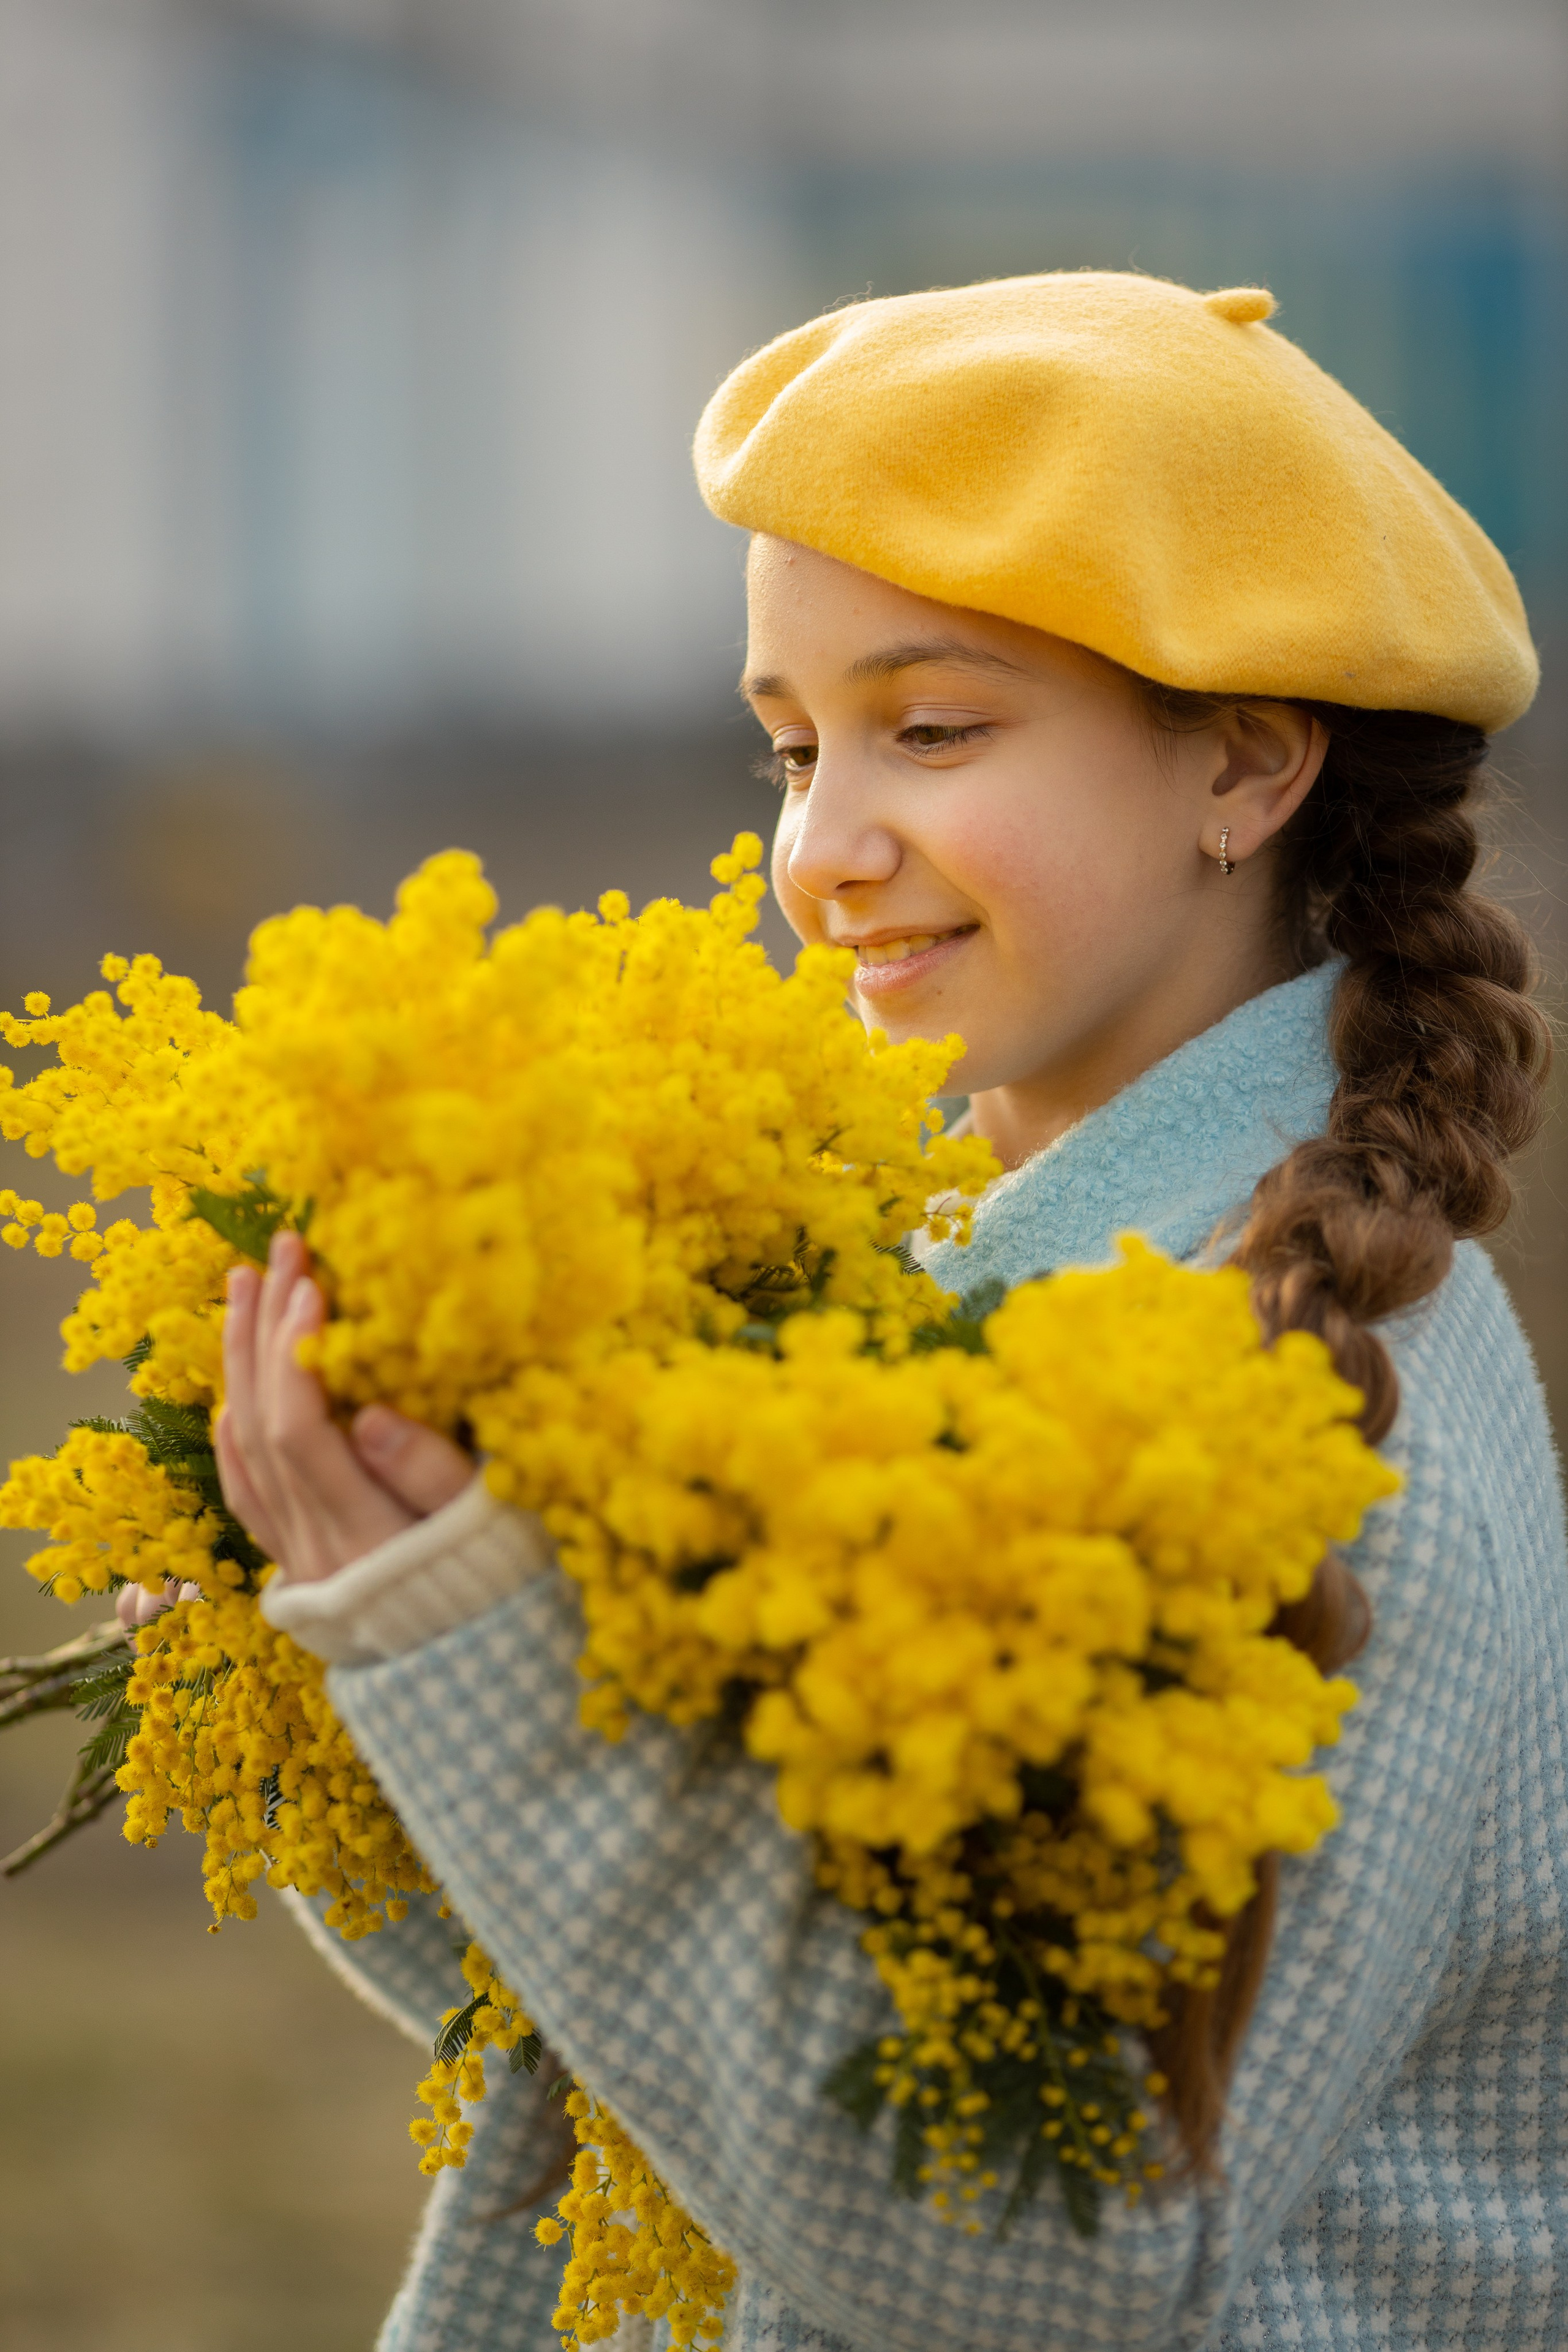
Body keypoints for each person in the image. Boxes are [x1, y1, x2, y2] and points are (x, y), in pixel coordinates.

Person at [214, 273, 1564, 2350]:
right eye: (788, 747)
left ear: (1252, 763)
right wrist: (327, 1649)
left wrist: (467, 1634)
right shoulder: (931, 1291)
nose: (823, 851)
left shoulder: (1317, 1419)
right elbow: (708, 2081)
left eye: (931, 731)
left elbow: (1030, 2276)